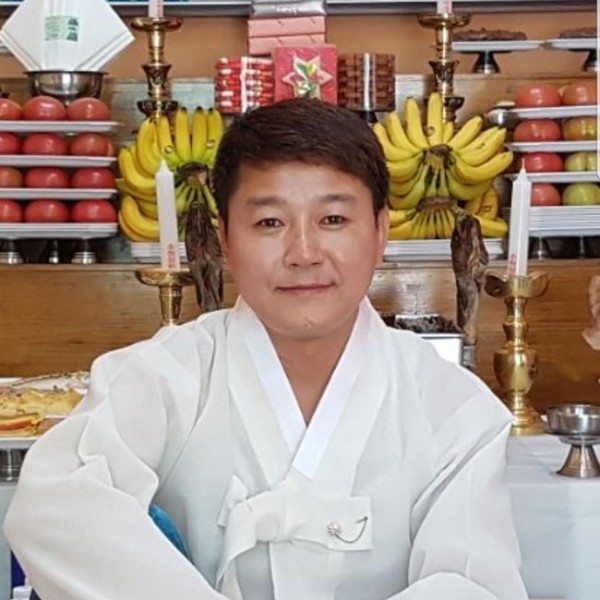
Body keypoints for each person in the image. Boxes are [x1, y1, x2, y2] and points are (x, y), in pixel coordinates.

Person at [4, 98, 528, 600]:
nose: (304, 253)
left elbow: (474, 586)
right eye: (269, 223)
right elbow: (56, 506)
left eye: (333, 219)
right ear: (225, 242)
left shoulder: (453, 409)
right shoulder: (166, 375)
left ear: (380, 231)